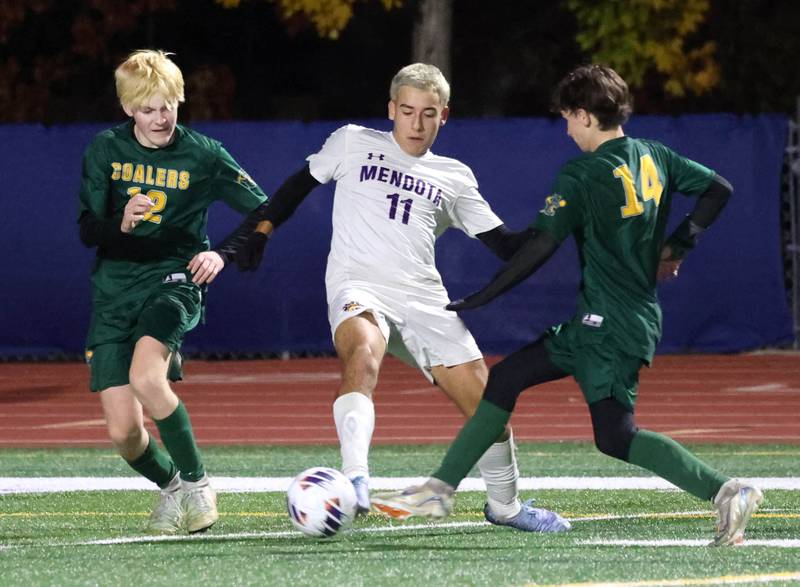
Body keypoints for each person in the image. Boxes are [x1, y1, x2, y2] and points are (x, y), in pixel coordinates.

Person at [370, 64, 763, 547]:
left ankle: (727, 488)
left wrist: (485, 295)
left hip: (606, 326)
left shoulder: (584, 172)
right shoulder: (654, 154)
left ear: (583, 114)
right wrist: (680, 245)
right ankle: (440, 489)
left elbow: (538, 246)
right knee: (524, 388)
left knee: (612, 433)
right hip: (620, 319)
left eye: (568, 118)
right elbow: (718, 188)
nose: (567, 128)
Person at [236, 63, 570, 532]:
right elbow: (299, 184)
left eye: (428, 113)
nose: (416, 123)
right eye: (407, 111)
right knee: (363, 353)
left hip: (425, 300)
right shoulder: (353, 142)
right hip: (359, 284)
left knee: (490, 411)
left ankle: (506, 507)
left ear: (444, 116)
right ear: (391, 109)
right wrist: (262, 230)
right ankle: (355, 480)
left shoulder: (453, 176)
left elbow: (506, 246)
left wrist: (556, 225)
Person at [77, 49, 269, 534]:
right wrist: (119, 224)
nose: (160, 118)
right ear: (127, 109)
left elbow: (266, 209)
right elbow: (86, 229)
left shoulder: (202, 153)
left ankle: (199, 482)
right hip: (115, 289)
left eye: (168, 106)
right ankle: (171, 486)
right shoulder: (105, 149)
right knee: (123, 433)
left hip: (173, 279)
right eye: (148, 109)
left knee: (147, 378)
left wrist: (222, 254)